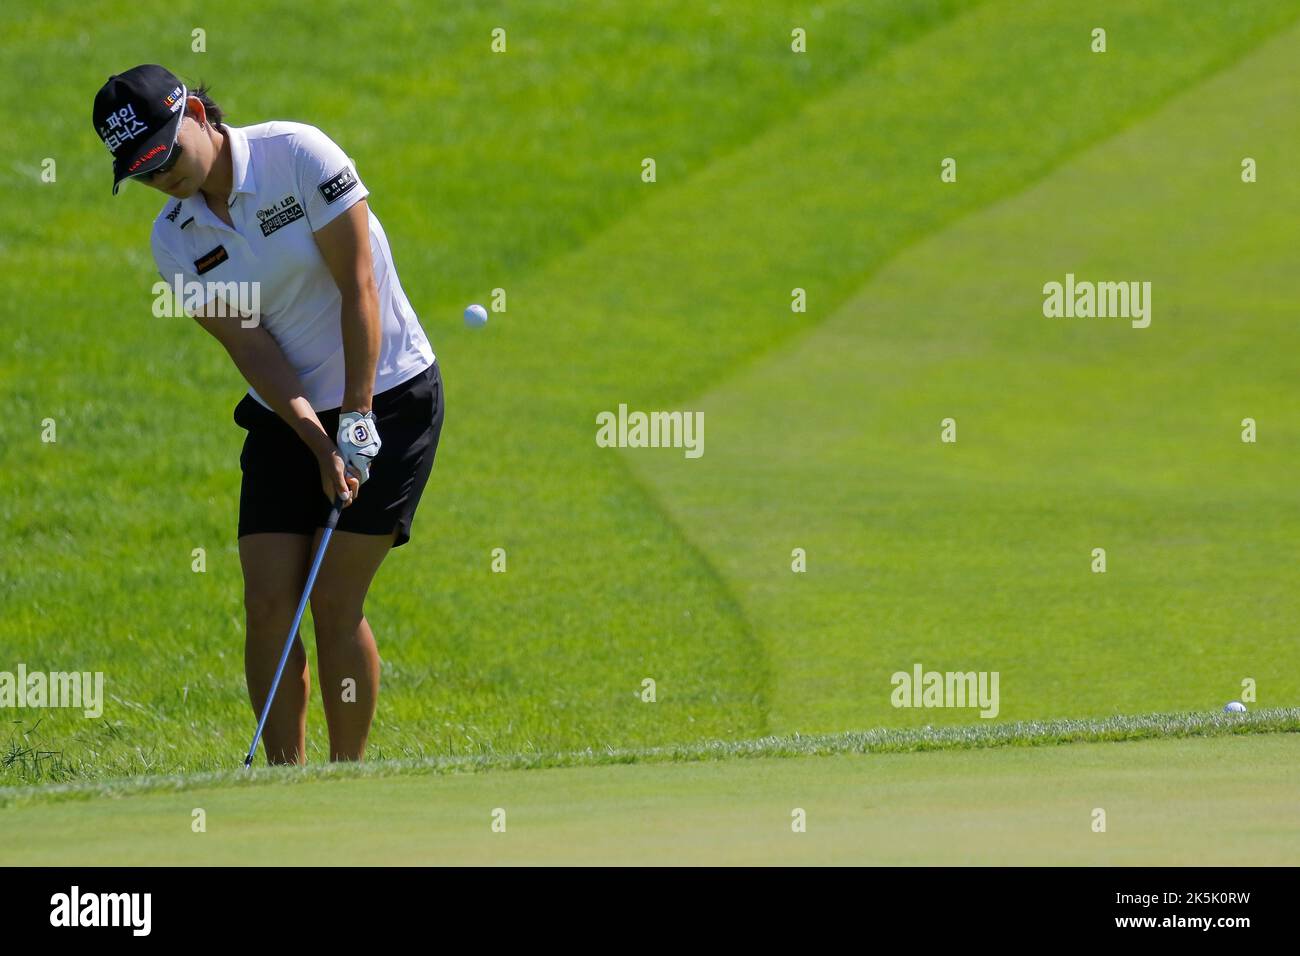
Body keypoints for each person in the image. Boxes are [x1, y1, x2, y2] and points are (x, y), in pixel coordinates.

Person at [92, 64, 444, 764]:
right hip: (288, 416)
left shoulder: (298, 155)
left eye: (166, 154)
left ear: (196, 111)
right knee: (267, 605)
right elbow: (253, 348)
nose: (159, 177)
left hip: (391, 393)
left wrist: (359, 417)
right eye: (141, 170)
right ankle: (285, 789)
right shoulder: (175, 239)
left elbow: (359, 285)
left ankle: (347, 783)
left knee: (333, 602)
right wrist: (317, 439)